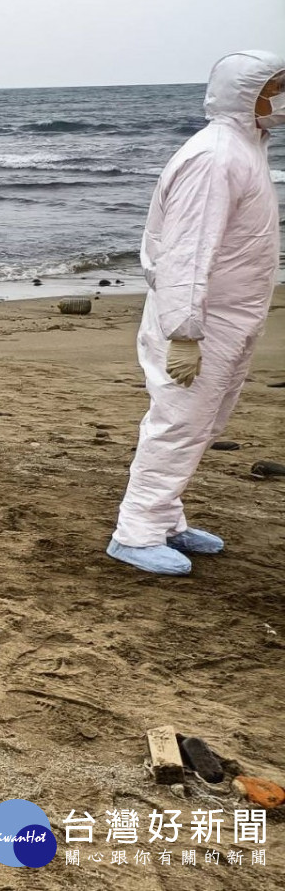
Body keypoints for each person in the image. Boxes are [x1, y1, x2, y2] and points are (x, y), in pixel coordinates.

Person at [108, 49, 285, 576]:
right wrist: (185, 332)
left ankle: (164, 519)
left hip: (231, 316)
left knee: (204, 421)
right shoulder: (214, 158)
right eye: (275, 86)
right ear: (245, 91)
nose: (280, 98)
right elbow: (186, 250)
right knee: (179, 422)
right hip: (198, 322)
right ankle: (135, 533)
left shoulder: (246, 147)